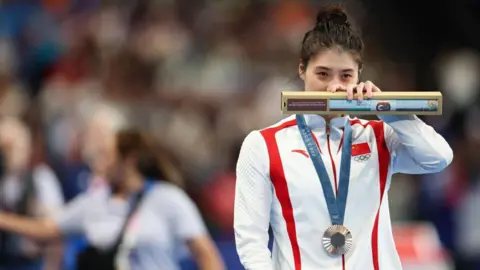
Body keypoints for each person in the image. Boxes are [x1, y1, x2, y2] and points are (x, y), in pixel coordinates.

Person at [233, 4, 453, 270]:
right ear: (302, 69)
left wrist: (387, 111)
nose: (334, 86)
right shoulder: (264, 145)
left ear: (360, 75)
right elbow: (251, 241)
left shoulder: (379, 136)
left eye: (346, 75)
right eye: (323, 74)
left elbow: (439, 158)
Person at [0, 128, 225, 270]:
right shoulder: (94, 201)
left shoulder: (169, 199)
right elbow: (46, 228)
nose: (99, 162)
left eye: (107, 155)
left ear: (128, 161)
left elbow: (206, 255)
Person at [0, 117, 64, 270]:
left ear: (27, 149)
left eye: (15, 147)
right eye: (4, 148)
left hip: (32, 262)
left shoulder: (41, 178)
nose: (9, 155)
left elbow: (56, 230)